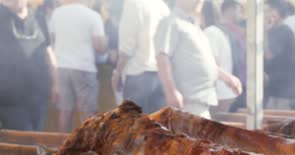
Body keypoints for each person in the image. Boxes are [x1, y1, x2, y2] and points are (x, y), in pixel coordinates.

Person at [154, 0, 241, 118]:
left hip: (200, 103)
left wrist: (226, 77)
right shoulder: (171, 22)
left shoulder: (194, 26)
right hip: (186, 104)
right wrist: (171, 91)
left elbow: (204, 62)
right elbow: (162, 57)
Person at [49, 0, 106, 131]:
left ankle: (61, 146)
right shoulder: (92, 15)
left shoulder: (57, 14)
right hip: (84, 67)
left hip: (61, 67)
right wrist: (106, 45)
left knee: (65, 112)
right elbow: (99, 46)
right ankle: (87, 148)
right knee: (88, 114)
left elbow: (51, 41)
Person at [0, 0, 57, 131]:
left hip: (39, 94)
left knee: (36, 138)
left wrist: (56, 83)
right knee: (26, 140)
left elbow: (48, 51)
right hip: (9, 99)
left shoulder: (38, 17)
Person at [112, 0, 169, 114]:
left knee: (135, 127)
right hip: (161, 75)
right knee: (158, 128)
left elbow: (127, 47)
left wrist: (117, 73)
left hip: (138, 76)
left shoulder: (133, 4)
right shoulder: (163, 6)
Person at [202, 0, 236, 113]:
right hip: (223, 91)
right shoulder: (218, 31)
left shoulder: (210, 32)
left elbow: (212, 63)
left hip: (218, 93)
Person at [264, 0, 295, 109]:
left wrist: (263, 32)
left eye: (268, 10)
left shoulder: (284, 31)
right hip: (273, 84)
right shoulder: (272, 30)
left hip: (283, 87)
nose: (265, 14)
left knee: (278, 120)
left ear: (277, 13)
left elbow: (269, 55)